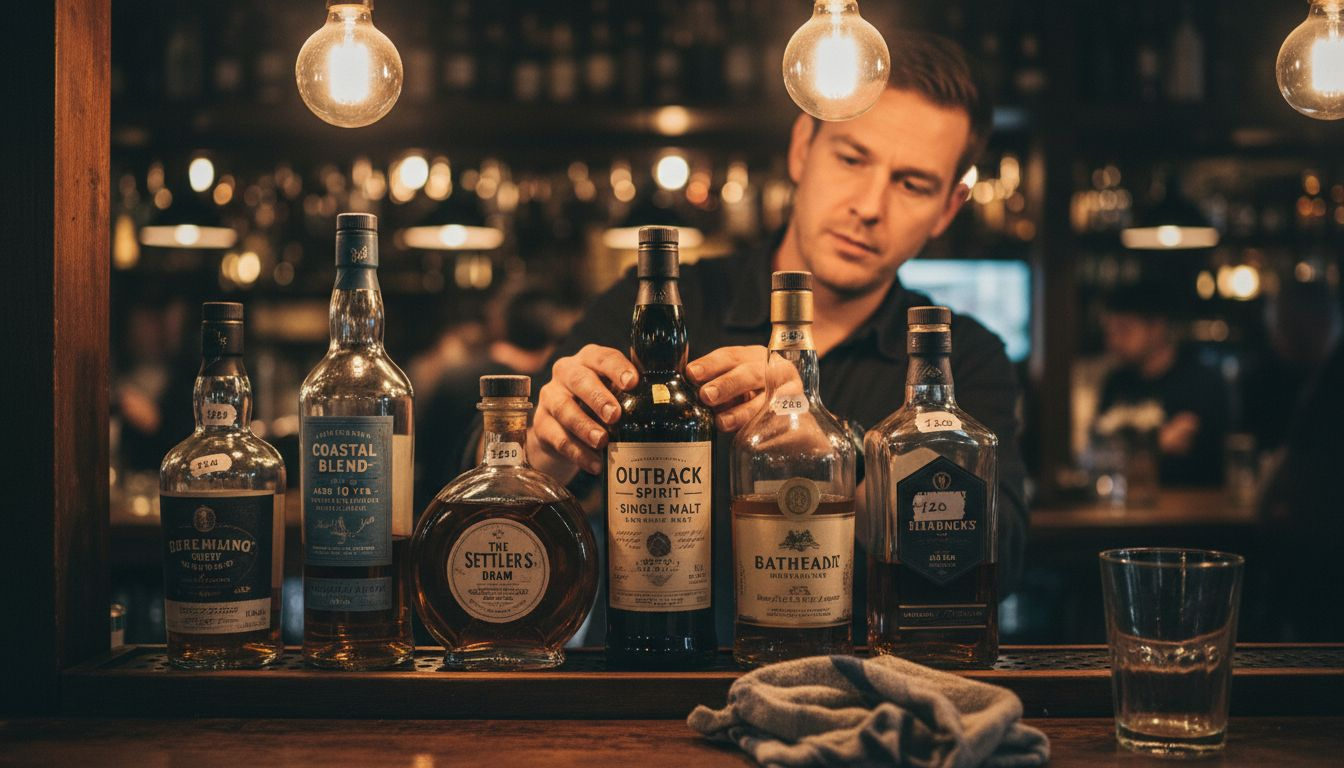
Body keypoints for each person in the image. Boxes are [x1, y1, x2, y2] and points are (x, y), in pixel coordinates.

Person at [511, 31, 1028, 645]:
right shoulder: (665, 304)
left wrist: (830, 448)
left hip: (869, 699)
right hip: (654, 694)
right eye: (852, 158)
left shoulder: (959, 354)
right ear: (803, 148)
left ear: (948, 208)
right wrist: (542, 452)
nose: (869, 205)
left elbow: (1006, 559)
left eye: (912, 184)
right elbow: (470, 466)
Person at [417, 289, 572, 510]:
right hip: (505, 515)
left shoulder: (453, 375)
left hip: (435, 513)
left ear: (500, 324)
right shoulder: (549, 388)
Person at [1096, 286, 1230, 487]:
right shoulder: (1116, 381)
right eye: (1109, 332)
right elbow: (1098, 454)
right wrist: (1159, 444)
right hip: (1124, 508)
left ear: (1157, 328)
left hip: (1193, 509)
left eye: (1124, 330)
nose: (1113, 341)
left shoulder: (1200, 381)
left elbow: (1197, 457)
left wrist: (1131, 453)